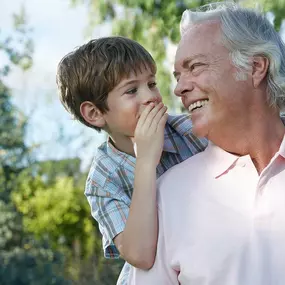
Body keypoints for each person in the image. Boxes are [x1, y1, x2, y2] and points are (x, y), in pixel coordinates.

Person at [128, 2, 285, 285]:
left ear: (256, 66)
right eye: (177, 76)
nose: (178, 88)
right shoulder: (167, 195)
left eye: (195, 67)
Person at [56, 36, 207, 284]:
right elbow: (140, 254)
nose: (151, 96)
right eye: (131, 90)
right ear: (94, 113)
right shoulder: (102, 180)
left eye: (152, 83)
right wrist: (146, 162)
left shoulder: (191, 131)